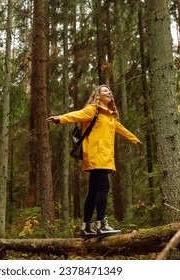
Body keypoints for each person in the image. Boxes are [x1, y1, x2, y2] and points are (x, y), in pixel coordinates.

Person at [46, 84, 141, 236]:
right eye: (105, 90)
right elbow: (76, 115)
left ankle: (86, 227)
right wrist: (60, 119)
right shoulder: (93, 110)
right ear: (98, 95)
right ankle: (102, 224)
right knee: (104, 187)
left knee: (93, 192)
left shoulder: (109, 116)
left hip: (104, 157)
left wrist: (135, 140)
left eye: (109, 91)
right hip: (96, 155)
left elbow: (121, 129)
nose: (108, 92)